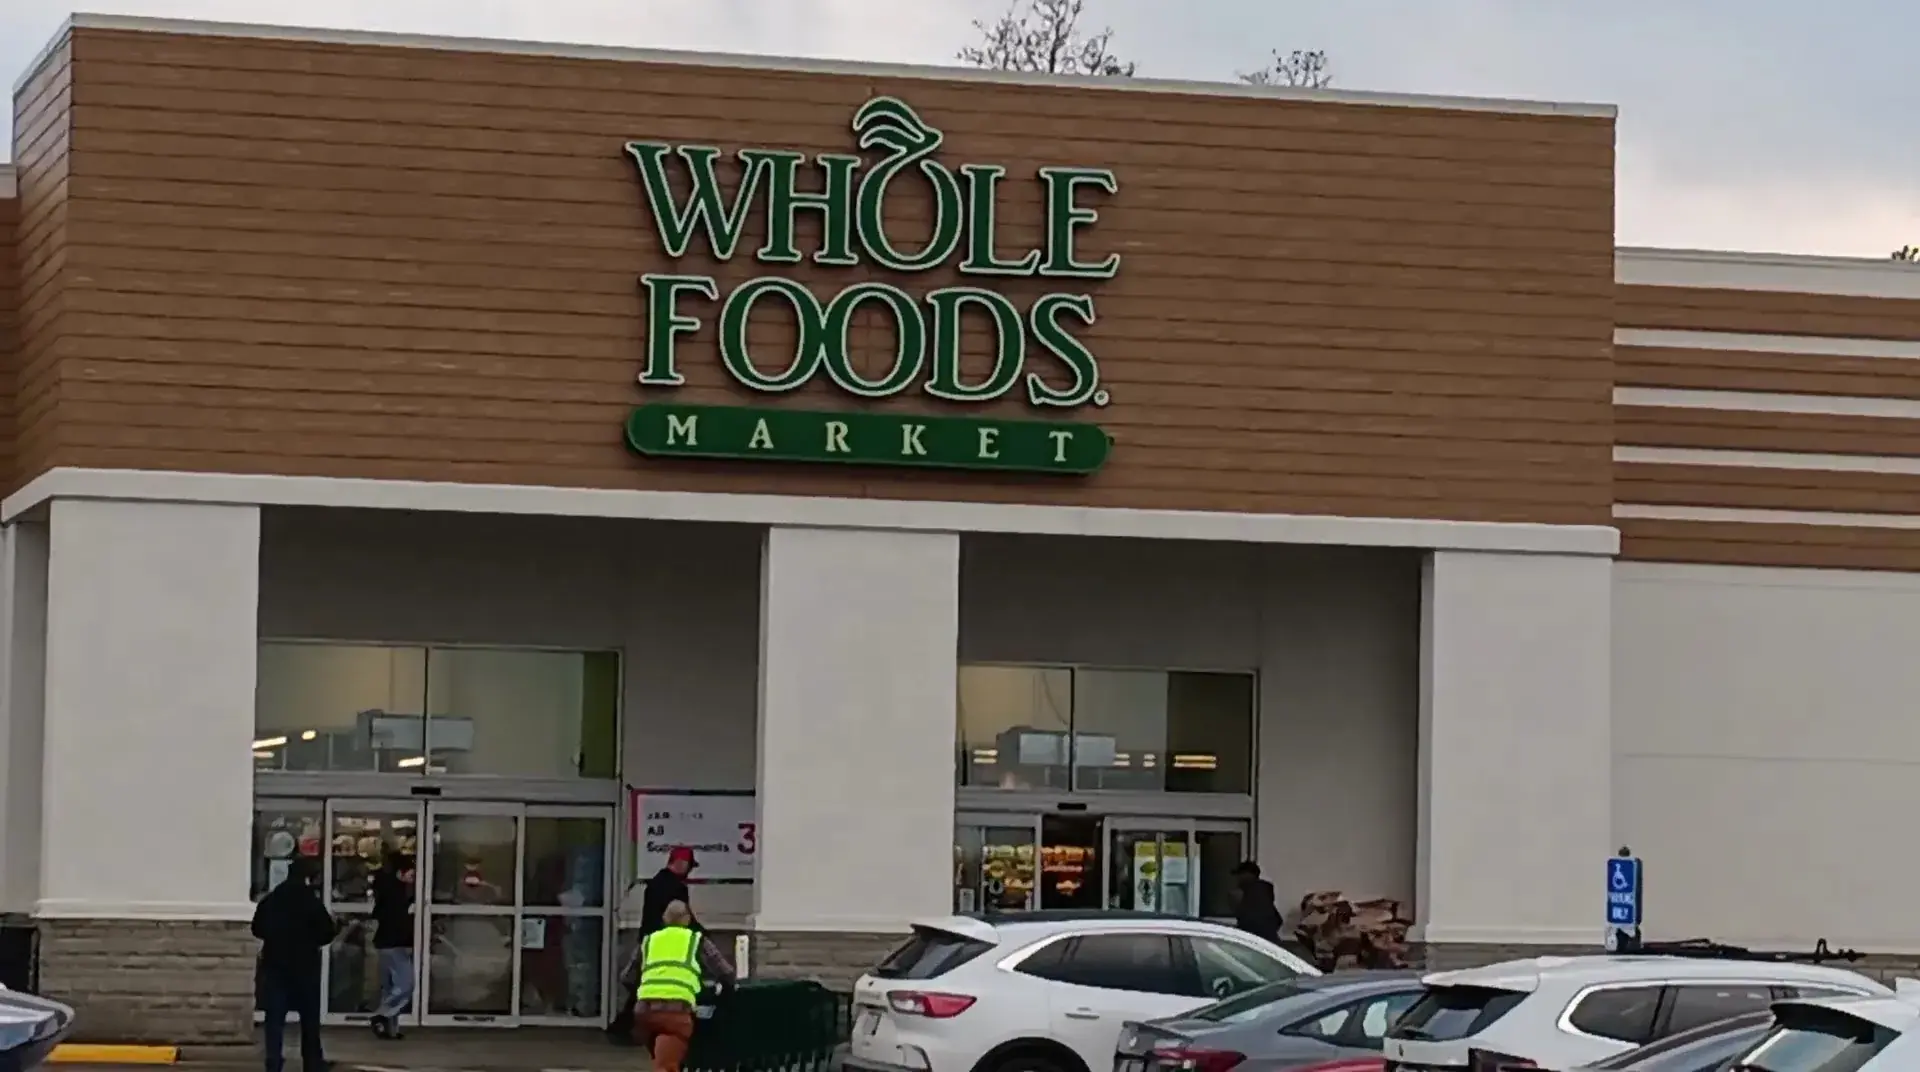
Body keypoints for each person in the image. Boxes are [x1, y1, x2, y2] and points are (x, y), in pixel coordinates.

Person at [608, 847, 702, 1041]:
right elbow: (684, 918)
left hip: (648, 939)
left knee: (642, 985)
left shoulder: (655, 883)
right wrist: (702, 934)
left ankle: (625, 1028)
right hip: (667, 943)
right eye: (689, 866)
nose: (689, 871)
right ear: (681, 863)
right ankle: (624, 1028)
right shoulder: (677, 888)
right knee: (645, 989)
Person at [253, 856, 336, 1072]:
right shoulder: (310, 902)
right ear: (308, 878)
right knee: (309, 1019)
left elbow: (257, 929)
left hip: (275, 965)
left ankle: (273, 1062)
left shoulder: (272, 899)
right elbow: (327, 932)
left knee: (275, 1019)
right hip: (304, 966)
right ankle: (312, 1062)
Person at [633, 900, 734, 1072]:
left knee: (662, 1054)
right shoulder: (696, 940)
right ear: (687, 919)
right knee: (667, 1064)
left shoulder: (649, 941)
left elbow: (626, 977)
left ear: (665, 919)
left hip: (644, 1011)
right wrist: (725, 987)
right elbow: (725, 972)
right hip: (675, 1013)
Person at [368, 847, 416, 1040]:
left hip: (385, 942)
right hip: (394, 943)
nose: (413, 877)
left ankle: (390, 1029)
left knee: (390, 987)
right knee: (406, 984)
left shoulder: (386, 888)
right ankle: (382, 1015)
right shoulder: (396, 892)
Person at [1232, 860, 1284, 944]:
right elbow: (1278, 920)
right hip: (1269, 942)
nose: (1237, 878)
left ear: (1247, 874)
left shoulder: (1244, 892)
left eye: (1239, 874)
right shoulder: (1265, 890)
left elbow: (1248, 920)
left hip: (1253, 941)